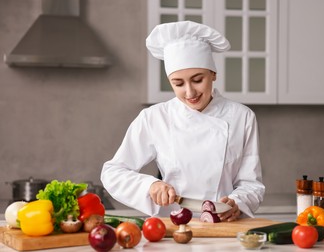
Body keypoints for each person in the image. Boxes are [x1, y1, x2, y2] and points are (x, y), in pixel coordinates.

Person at [101, 21, 265, 221]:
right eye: (178, 83)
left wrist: (237, 203)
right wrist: (150, 185)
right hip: (173, 226)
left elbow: (251, 184)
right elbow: (113, 172)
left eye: (197, 80)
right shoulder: (155, 117)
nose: (190, 92)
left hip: (223, 226)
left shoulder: (242, 116)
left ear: (213, 74)